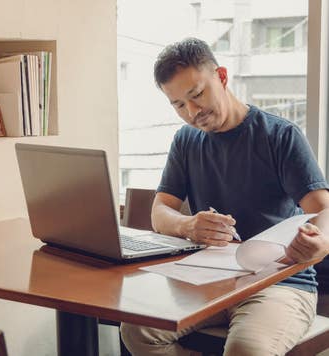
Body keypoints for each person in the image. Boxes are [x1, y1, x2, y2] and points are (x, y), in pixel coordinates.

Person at [120, 37, 329, 356]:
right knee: (137, 330)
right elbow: (160, 211)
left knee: (246, 349)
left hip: (280, 285)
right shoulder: (186, 140)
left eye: (196, 94)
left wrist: (320, 242)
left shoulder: (279, 136)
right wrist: (187, 226)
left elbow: (323, 209)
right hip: (208, 282)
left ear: (221, 76)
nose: (192, 112)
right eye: (178, 105)